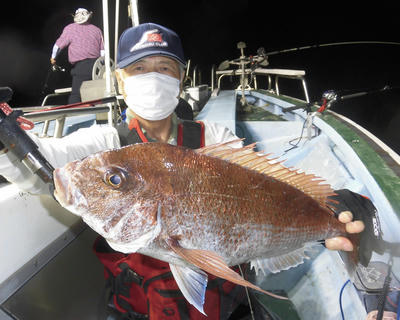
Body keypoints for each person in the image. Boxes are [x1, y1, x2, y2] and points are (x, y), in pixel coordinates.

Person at [0, 23, 364, 319]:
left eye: (164, 67)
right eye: (138, 68)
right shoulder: (106, 144)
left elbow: (268, 200)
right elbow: (45, 164)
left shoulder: (215, 138)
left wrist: (325, 225)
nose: (152, 77)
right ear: (121, 80)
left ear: (181, 76)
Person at [50, 8, 105, 104]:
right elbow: (103, 52)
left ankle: (74, 117)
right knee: (95, 95)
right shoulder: (97, 30)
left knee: (76, 96)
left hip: (82, 67)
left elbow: (58, 46)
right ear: (88, 17)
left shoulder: (70, 28)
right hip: (98, 68)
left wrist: (53, 58)